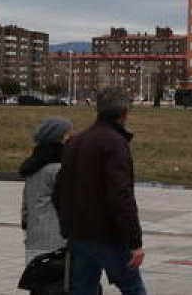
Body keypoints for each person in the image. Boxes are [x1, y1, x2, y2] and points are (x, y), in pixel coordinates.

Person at [53, 87, 146, 295]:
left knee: (83, 289)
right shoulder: (115, 144)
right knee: (133, 289)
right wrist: (135, 242)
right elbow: (121, 196)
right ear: (124, 114)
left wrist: (67, 226)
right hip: (108, 236)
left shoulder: (75, 142)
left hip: (79, 234)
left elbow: (59, 190)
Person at [20, 116, 71, 264]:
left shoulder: (33, 166)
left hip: (35, 236)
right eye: (68, 134)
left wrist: (27, 227)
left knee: (38, 282)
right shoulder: (58, 168)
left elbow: (25, 205)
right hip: (57, 239)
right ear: (59, 138)